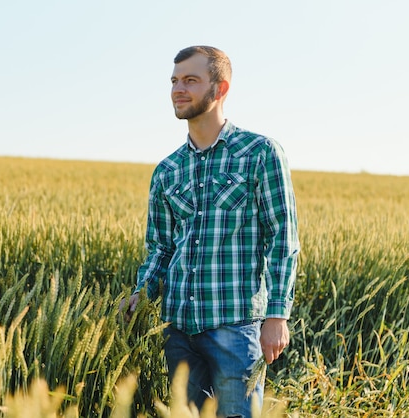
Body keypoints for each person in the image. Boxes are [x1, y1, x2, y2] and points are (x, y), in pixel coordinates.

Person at [121, 46, 300, 418]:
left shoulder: (260, 153)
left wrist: (277, 315)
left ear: (220, 89)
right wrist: (141, 293)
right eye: (174, 80)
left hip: (234, 328)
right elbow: (160, 248)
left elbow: (283, 237)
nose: (178, 89)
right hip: (178, 331)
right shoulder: (167, 170)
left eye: (190, 80)